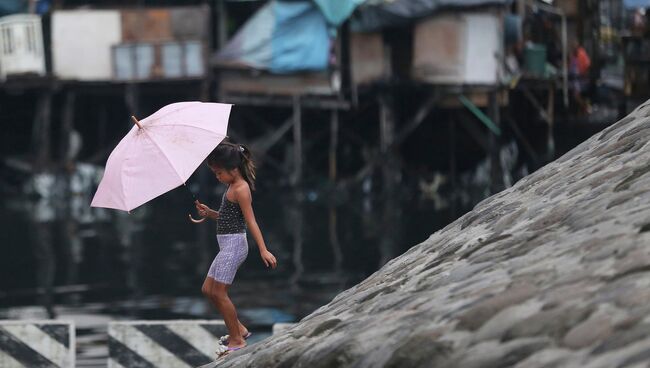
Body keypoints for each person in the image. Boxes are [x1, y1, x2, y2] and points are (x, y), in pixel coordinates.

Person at [194, 140, 277, 357]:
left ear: (233, 169)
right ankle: (239, 328)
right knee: (207, 290)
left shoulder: (241, 189)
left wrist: (263, 249)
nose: (217, 177)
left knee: (219, 293)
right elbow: (230, 218)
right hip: (227, 245)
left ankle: (237, 339)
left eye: (219, 172)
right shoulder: (231, 186)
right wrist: (210, 213)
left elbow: (251, 222)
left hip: (234, 246)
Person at [569, 40, 591, 114]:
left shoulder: (581, 53)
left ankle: (585, 107)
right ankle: (582, 109)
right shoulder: (573, 55)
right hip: (575, 79)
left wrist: (584, 74)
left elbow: (587, 65)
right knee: (575, 95)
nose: (573, 48)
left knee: (576, 96)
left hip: (581, 78)